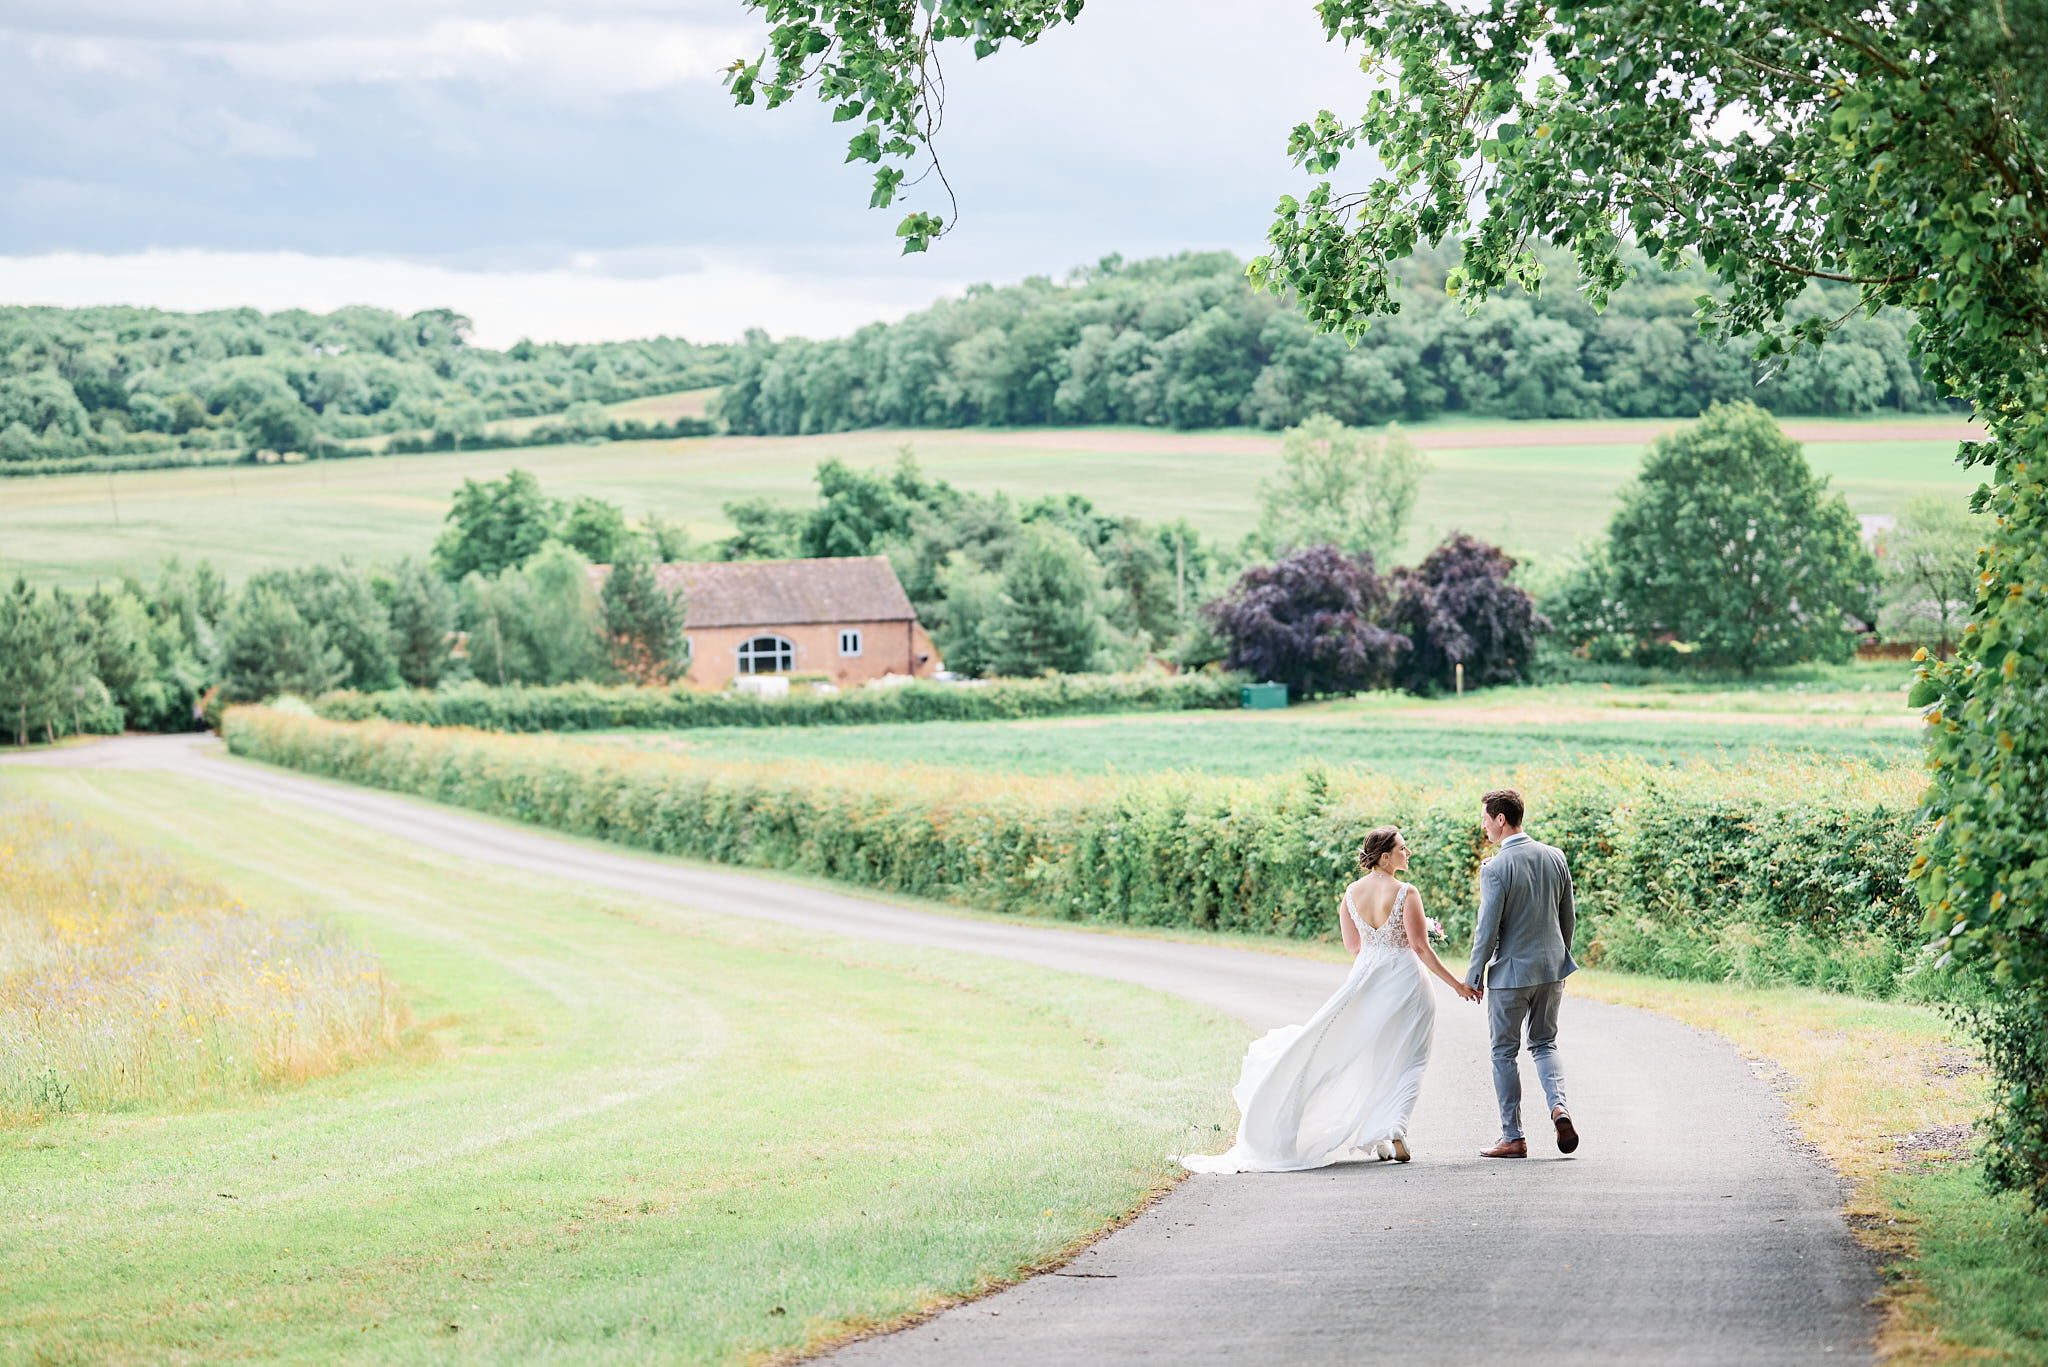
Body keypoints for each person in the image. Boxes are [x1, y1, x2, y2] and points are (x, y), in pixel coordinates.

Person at [1183, 825, 1480, 1173]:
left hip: (1367, 979)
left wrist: (1378, 954)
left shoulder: (1351, 893)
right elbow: (1419, 947)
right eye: (1402, 848)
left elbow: (1354, 947)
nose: (1407, 853)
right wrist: (1457, 985)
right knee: (1410, 1057)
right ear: (1385, 856)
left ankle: (1382, 1136)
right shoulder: (1406, 892)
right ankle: (1393, 1127)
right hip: (1406, 980)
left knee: (1367, 1054)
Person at [1467, 788, 1581, 1159]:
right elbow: (1568, 917)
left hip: (1511, 975)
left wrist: (1474, 975)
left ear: (1501, 819)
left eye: (1485, 818)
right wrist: (1559, 959)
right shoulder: (1555, 856)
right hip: (1551, 969)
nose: (1483, 825)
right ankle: (1559, 1107)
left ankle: (1513, 1137)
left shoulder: (1496, 868)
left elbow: (1487, 930)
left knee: (1504, 1052)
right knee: (1545, 1043)